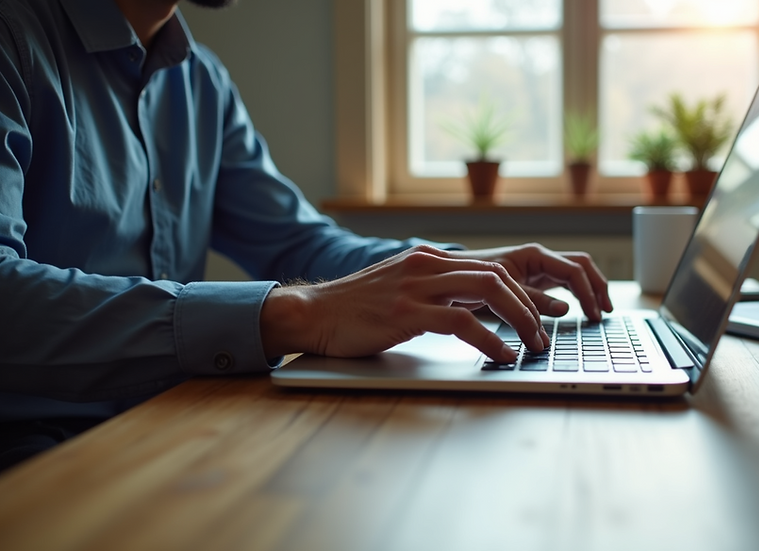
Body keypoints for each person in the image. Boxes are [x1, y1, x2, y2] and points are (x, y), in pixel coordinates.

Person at [0, 0, 613, 470]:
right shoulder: (13, 38)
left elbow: (302, 245)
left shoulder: (199, 80)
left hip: (169, 426)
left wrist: (452, 270)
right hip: (37, 455)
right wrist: (295, 312)